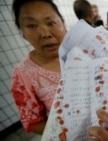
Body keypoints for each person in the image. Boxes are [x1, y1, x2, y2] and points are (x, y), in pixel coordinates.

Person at [11, 0, 67, 134]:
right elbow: (33, 122)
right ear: (23, 34)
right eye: (32, 26)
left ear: (63, 25)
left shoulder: (85, 49)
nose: (45, 33)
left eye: (51, 23)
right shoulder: (23, 74)